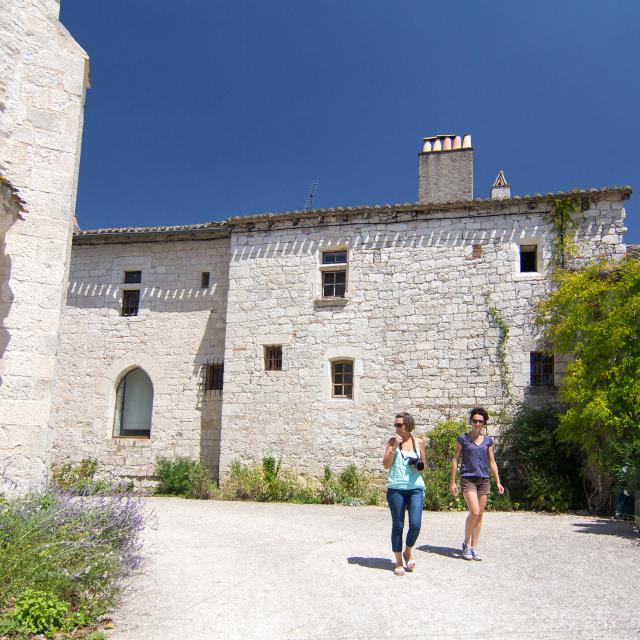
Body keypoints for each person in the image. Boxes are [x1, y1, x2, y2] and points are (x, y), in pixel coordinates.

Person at [449, 407, 504, 561]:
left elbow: (492, 462)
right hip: (468, 478)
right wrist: (452, 481)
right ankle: (465, 544)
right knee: (474, 511)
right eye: (475, 421)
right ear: (471, 421)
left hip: (484, 479)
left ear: (484, 423)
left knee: (480, 515)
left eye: (480, 421)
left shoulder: (488, 441)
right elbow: (455, 459)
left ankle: (474, 548)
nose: (477, 423)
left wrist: (498, 481)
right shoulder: (462, 439)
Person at [382, 412, 426, 576]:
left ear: (408, 425)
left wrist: (418, 466)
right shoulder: (392, 442)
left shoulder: (419, 442)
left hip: (415, 488)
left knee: (415, 524)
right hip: (396, 488)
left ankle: (408, 550)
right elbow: (386, 465)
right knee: (398, 525)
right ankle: (399, 561)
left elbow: (424, 466)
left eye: (399, 425)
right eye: (395, 425)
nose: (396, 428)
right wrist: (393, 448)